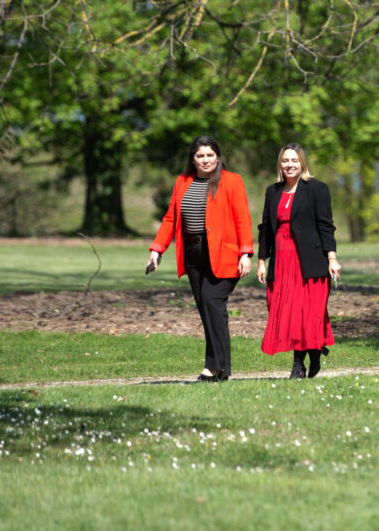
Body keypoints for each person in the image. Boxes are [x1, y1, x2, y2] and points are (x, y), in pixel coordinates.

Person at [146, 136, 254, 382]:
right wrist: (157, 250)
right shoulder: (183, 181)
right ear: (193, 159)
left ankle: (214, 367)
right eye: (200, 156)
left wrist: (246, 253)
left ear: (218, 157)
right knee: (208, 310)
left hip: (224, 253)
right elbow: (171, 218)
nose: (205, 160)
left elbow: (242, 219)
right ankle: (220, 368)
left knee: (211, 301)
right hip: (193, 253)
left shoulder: (232, 180)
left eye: (210, 155)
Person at [256, 143, 341, 378]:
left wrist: (332, 258)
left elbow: (326, 226)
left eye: (294, 160)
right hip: (282, 262)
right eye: (285, 160)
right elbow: (265, 228)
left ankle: (301, 362)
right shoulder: (273, 191)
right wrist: (262, 260)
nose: (289, 165)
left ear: (302, 162)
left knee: (308, 313)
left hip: (310, 261)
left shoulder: (317, 189)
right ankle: (310, 352)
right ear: (280, 164)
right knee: (289, 312)